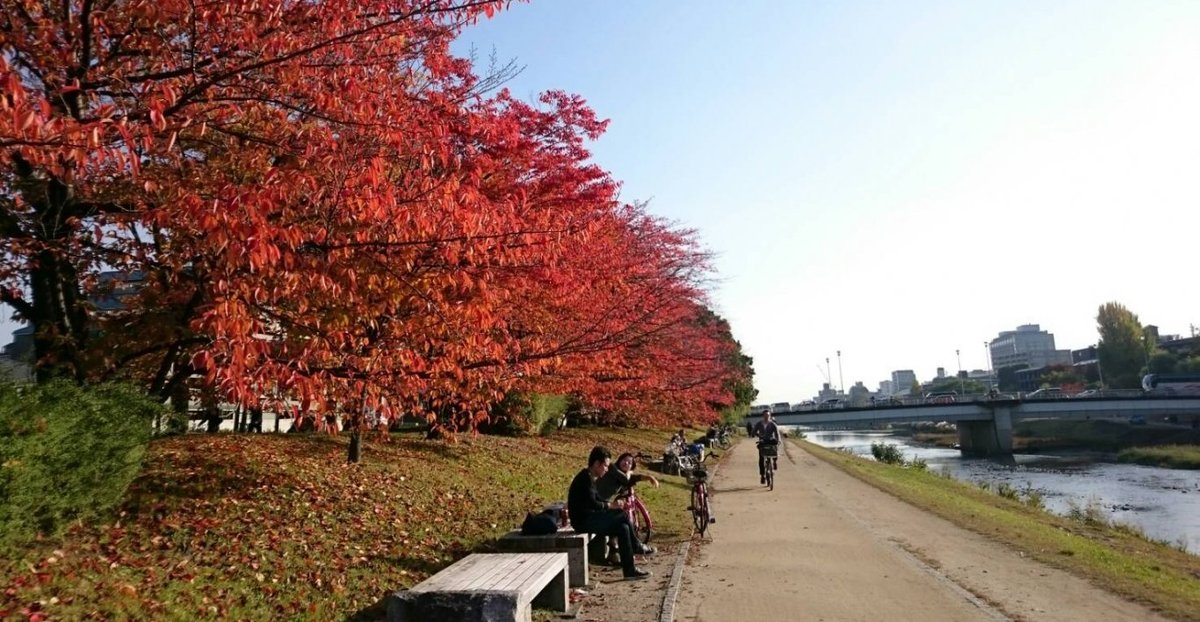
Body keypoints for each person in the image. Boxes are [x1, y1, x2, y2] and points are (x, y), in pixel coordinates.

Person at [568, 446, 652, 580]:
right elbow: (593, 503)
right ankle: (636, 545)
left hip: (590, 517)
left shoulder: (590, 477)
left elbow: (597, 498)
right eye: (605, 466)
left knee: (623, 528)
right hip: (583, 521)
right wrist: (610, 505)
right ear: (596, 464)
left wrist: (612, 506)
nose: (607, 469)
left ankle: (629, 571)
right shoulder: (584, 479)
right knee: (622, 516)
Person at [594, 452, 660, 564]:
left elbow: (633, 478)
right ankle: (631, 548)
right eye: (624, 460)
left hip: (600, 505)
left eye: (629, 463)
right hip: (595, 506)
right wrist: (629, 472)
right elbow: (625, 479)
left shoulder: (623, 474)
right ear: (619, 460)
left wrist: (649, 477)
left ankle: (615, 553)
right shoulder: (612, 468)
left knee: (620, 517)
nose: (626, 463)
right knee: (619, 518)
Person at [753, 409, 781, 484]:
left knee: (775, 446)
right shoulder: (759, 423)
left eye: (768, 415)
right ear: (763, 416)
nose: (766, 417)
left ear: (770, 416)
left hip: (770, 440)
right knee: (761, 459)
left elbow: (777, 433)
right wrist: (759, 435)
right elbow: (754, 432)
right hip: (763, 441)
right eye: (765, 415)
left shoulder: (772, 424)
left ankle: (775, 461)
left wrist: (779, 441)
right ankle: (762, 475)